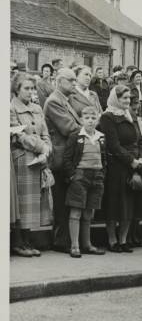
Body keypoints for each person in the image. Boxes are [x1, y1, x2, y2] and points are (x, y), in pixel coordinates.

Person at [99, 85, 142, 253]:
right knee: (114, 204)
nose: (128, 101)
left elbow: (139, 139)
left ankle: (124, 239)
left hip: (134, 163)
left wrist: (141, 157)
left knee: (130, 204)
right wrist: (131, 161)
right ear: (115, 99)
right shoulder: (107, 117)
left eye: (129, 98)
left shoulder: (130, 114)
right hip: (117, 166)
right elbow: (113, 145)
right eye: (124, 98)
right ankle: (112, 240)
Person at [10, 74, 53, 257]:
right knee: (22, 203)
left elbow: (45, 133)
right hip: (22, 159)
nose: (30, 92)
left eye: (32, 89)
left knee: (34, 203)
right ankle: (18, 242)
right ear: (17, 90)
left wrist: (46, 151)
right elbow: (18, 136)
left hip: (38, 159)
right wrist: (41, 147)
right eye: (26, 88)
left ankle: (27, 240)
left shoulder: (37, 108)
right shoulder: (11, 108)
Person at [43, 68, 82, 253]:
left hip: (66, 156)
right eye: (71, 80)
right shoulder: (53, 101)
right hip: (59, 158)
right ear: (59, 82)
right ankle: (60, 240)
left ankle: (64, 239)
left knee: (66, 200)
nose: (75, 83)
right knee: (60, 201)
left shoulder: (64, 100)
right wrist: (89, 127)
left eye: (75, 80)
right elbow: (70, 128)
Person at [62, 106, 107, 257]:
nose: (90, 121)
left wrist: (102, 173)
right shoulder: (76, 136)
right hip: (80, 176)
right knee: (76, 211)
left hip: (97, 176)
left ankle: (87, 244)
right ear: (81, 120)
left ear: (97, 120)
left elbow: (105, 157)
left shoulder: (101, 137)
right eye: (87, 118)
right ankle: (75, 246)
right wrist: (72, 176)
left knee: (89, 213)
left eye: (93, 118)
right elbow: (67, 158)